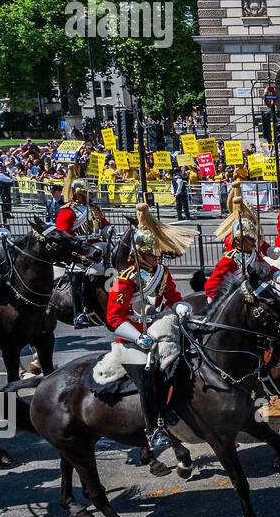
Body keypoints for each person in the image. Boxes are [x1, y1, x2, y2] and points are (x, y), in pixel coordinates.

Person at [106, 203, 192, 457]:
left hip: (158, 328)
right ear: (140, 254)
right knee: (147, 376)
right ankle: (153, 430)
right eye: (153, 254)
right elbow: (114, 318)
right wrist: (137, 336)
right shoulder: (126, 279)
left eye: (158, 254)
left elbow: (174, 296)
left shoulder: (162, 273)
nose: (157, 258)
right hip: (131, 337)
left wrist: (181, 306)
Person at [54, 167, 111, 328]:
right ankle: (79, 312)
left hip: (99, 247)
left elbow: (104, 225)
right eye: (87, 193)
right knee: (78, 276)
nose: (90, 195)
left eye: (91, 193)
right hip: (79, 251)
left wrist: (109, 230)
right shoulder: (68, 211)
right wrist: (76, 248)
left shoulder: (95, 209)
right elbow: (63, 235)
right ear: (77, 193)